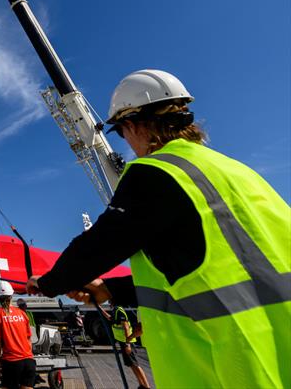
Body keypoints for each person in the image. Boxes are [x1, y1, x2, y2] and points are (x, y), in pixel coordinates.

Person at [26, 69, 290, 388]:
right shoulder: (239, 172)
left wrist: (48, 283)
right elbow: (217, 272)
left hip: (235, 363)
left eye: (122, 134)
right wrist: (113, 290)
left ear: (133, 124)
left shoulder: (154, 172)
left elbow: (98, 246)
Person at [0, 281, 35, 389]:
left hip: (11, 362)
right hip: (28, 361)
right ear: (12, 295)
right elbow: (29, 339)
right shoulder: (22, 313)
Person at [105, 301, 150, 388]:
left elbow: (126, 327)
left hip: (127, 342)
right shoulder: (115, 310)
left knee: (135, 364)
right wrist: (99, 307)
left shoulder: (119, 310)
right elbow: (110, 318)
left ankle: (147, 386)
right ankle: (141, 385)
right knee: (131, 364)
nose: (108, 302)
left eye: (110, 301)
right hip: (124, 342)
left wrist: (127, 344)